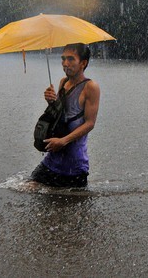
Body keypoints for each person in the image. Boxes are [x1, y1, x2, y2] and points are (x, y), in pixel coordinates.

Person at [28, 43, 101, 188]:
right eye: (63, 59)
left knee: (71, 206)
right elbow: (61, 116)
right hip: (52, 159)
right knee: (27, 188)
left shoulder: (90, 87)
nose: (65, 63)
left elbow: (90, 123)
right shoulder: (64, 82)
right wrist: (52, 102)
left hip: (73, 166)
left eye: (71, 59)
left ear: (83, 63)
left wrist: (63, 141)